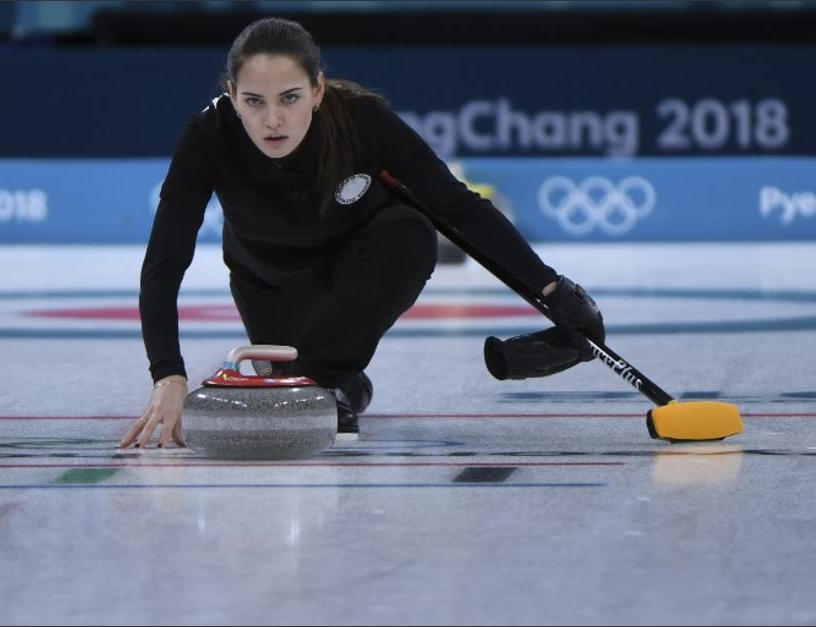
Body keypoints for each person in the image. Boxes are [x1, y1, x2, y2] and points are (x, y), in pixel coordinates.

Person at [118, 17, 605, 449]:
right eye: (254, 101)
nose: (272, 119)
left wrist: (552, 289)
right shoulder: (207, 136)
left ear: (318, 89)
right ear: (231, 94)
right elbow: (165, 262)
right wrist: (168, 375)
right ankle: (336, 379)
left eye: (290, 97)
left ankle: (330, 379)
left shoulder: (362, 121)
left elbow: (458, 208)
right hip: (268, 286)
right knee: (297, 373)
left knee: (411, 230)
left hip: (360, 274)